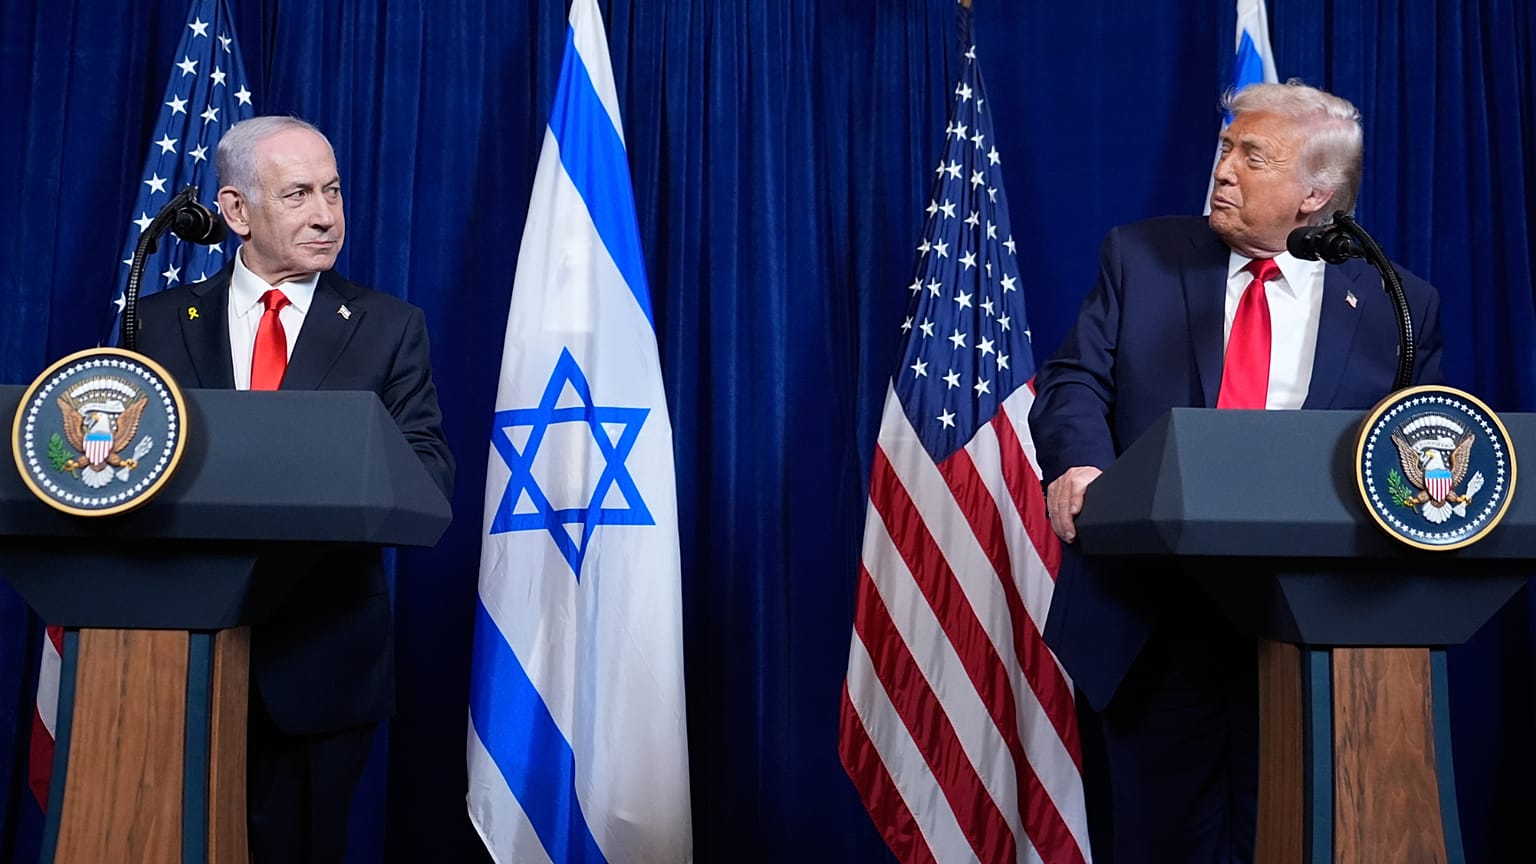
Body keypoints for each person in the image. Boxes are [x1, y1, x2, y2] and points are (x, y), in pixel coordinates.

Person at [1027, 81, 1444, 863]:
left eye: (1253, 157)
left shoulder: (1398, 306)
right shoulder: (1140, 257)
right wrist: (1081, 466)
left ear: (1314, 194)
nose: (1223, 169)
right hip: (1152, 620)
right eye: (1226, 148)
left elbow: (1415, 452)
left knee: (1287, 840)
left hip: (1312, 632)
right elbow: (1075, 379)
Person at [134, 115, 454, 863]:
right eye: (300, 194)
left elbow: (429, 473)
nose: (326, 215)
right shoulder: (154, 324)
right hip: (176, 663)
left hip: (320, 669)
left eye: (334, 191)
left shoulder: (386, 327)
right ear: (237, 211)